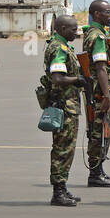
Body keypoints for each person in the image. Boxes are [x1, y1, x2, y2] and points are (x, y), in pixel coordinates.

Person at [41, 15, 85, 207]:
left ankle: (62, 187)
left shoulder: (62, 46)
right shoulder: (59, 48)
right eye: (73, 29)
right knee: (63, 148)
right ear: (62, 28)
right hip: (64, 105)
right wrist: (78, 80)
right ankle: (58, 191)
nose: (76, 32)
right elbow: (58, 78)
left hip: (68, 104)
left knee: (66, 149)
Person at [82, 0, 110, 188]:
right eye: (107, 12)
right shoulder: (98, 37)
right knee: (99, 131)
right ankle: (95, 173)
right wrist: (106, 96)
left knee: (100, 130)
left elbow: (103, 64)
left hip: (97, 90)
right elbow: (99, 68)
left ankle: (98, 171)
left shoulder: (94, 34)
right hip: (99, 92)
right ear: (97, 14)